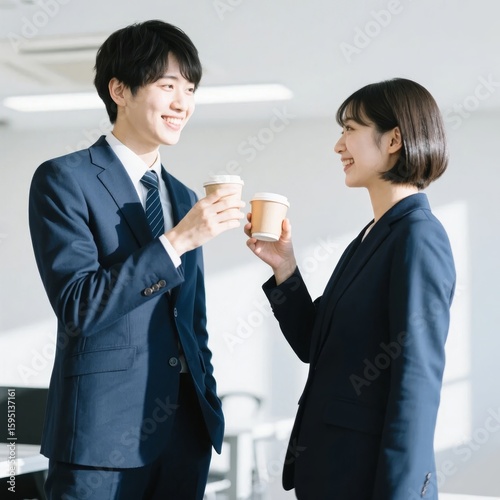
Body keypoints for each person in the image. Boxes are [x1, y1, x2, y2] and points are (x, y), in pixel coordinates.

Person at [29, 20, 244, 500]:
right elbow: (79, 306)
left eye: (190, 89)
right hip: (100, 441)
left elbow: (192, 320)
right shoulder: (64, 180)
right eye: (168, 86)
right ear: (119, 89)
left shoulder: (185, 195)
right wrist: (175, 243)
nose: (182, 103)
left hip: (184, 436)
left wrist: (207, 401)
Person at [245, 78, 456, 499]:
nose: (339, 146)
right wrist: (284, 266)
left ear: (394, 138)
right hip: (331, 474)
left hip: (368, 482)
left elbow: (415, 384)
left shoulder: (418, 236)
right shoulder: (371, 237)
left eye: (350, 129)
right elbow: (314, 344)